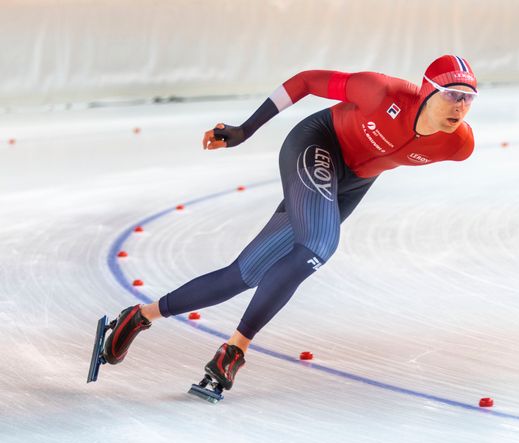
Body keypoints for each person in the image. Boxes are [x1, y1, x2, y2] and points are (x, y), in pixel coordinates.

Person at [101, 55, 478, 392]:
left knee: (243, 274)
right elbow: (306, 81)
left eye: (468, 98)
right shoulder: (381, 91)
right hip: (318, 145)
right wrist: (246, 130)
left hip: (350, 185)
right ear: (428, 91)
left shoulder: (458, 145)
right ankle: (234, 351)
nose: (460, 106)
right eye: (452, 94)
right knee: (318, 246)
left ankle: (138, 317)